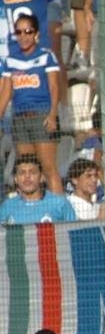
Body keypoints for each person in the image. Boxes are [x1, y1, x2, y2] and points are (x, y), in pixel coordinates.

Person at [0, 13, 63, 193]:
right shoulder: (11, 60)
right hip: (20, 118)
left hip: (42, 115)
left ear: (36, 33)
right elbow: (5, 92)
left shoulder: (46, 56)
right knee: (27, 170)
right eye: (19, 32)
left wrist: (52, 115)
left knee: (48, 168)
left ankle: (63, 217)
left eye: (28, 31)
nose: (23, 36)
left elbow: (54, 87)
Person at [0, 155, 77, 224]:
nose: (27, 176)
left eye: (32, 172)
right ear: (16, 179)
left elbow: (75, 235)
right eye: (22, 173)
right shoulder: (6, 207)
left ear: (42, 177)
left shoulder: (60, 204)